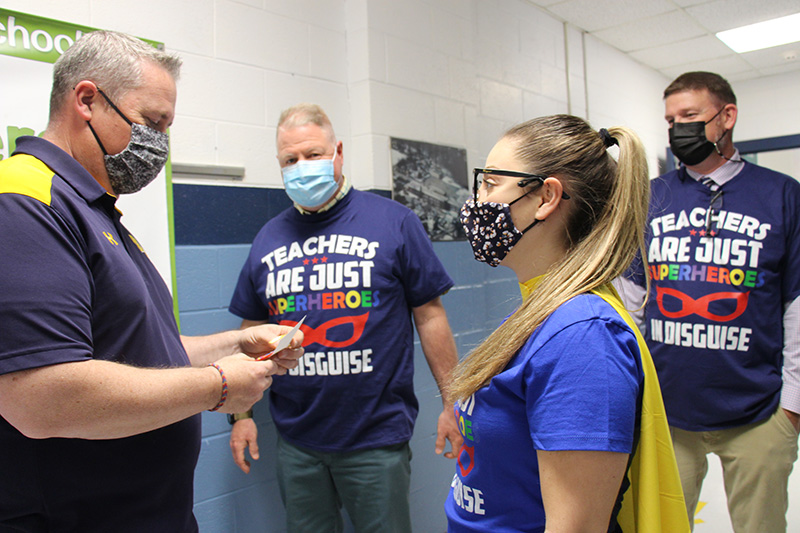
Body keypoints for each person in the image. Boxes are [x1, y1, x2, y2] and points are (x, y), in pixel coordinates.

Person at [0, 31, 303, 532]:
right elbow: (39, 396)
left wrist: (237, 343)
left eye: (166, 127)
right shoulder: (26, 202)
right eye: (151, 122)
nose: (158, 142)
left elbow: (139, 350)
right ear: (87, 100)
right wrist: (218, 385)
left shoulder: (95, 210)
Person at [445, 115, 689, 532]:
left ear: (546, 197)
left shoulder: (584, 336)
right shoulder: (542, 309)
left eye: (489, 183)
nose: (475, 201)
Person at [227, 103, 462, 532]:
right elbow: (248, 334)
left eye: (313, 154)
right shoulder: (267, 238)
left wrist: (453, 403)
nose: (302, 167)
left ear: (337, 152)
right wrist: (241, 417)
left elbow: (430, 317)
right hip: (297, 441)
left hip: (376, 439)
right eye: (290, 160)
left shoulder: (394, 222)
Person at [616, 71, 800, 532]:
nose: (678, 128)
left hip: (758, 412)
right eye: (671, 119)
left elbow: (797, 303)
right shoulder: (653, 196)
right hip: (667, 412)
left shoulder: (780, 194)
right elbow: (630, 302)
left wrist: (793, 405)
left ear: (726, 117)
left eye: (690, 116)